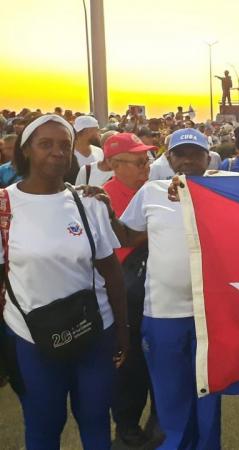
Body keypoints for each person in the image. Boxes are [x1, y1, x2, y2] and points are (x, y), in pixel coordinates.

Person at [3, 114, 129, 449]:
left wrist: (122, 330)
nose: (57, 152)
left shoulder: (88, 201)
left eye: (65, 145)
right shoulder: (4, 206)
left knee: (95, 420)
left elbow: (111, 272)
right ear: (26, 150)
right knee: (44, 425)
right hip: (33, 338)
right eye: (46, 144)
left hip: (93, 332)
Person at [105, 128, 222, 449]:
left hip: (211, 316)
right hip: (162, 314)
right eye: (179, 154)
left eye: (194, 154)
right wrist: (101, 207)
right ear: (168, 158)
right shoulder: (152, 191)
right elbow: (126, 237)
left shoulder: (225, 188)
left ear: (207, 157)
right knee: (170, 397)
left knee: (209, 396)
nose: (187, 161)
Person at [100, 132, 158, 446]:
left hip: (150, 290)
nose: (145, 166)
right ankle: (127, 424)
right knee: (129, 363)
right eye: (138, 161)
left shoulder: (151, 191)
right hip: (123, 294)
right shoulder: (103, 198)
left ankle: (152, 419)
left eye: (147, 159)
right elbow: (120, 244)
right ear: (114, 164)